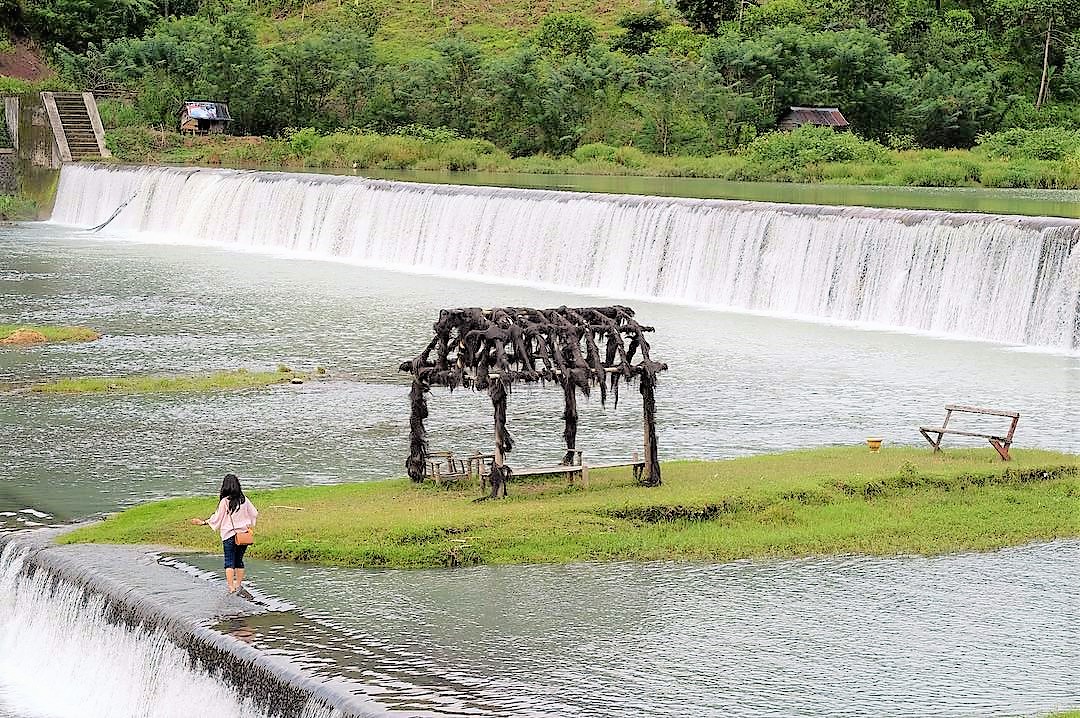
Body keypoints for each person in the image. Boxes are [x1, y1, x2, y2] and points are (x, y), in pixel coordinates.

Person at [190, 473, 258, 596]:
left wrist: (204, 522)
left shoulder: (225, 502)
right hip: (243, 536)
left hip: (228, 535)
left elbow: (217, 518)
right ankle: (238, 585)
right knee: (239, 561)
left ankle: (231, 587)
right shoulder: (244, 500)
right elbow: (254, 513)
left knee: (229, 561)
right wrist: (248, 524)